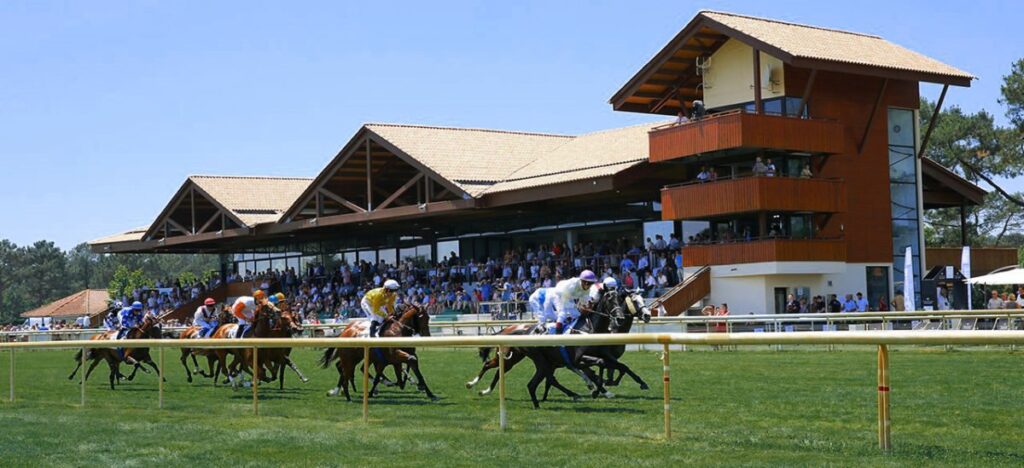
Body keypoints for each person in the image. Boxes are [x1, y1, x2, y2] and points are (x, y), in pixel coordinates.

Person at [551, 270, 598, 335]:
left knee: (577, 314)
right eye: (589, 283)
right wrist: (577, 306)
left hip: (569, 296)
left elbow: (584, 300)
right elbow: (565, 302)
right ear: (584, 282)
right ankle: (558, 336)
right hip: (559, 295)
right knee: (562, 314)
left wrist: (587, 306)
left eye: (591, 283)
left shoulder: (587, 288)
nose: (590, 286)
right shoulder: (572, 285)